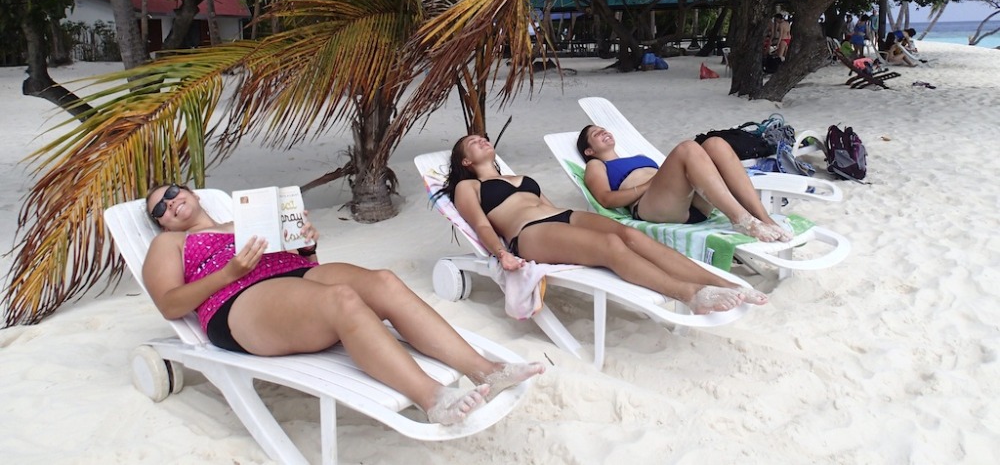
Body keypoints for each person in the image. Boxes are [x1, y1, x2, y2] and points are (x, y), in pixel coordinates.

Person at [142, 183, 543, 425]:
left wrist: (305, 245)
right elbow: (169, 304)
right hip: (236, 302)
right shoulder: (170, 244)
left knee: (383, 282)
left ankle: (486, 370)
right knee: (342, 300)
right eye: (160, 208)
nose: (170, 204)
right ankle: (432, 398)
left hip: (293, 277)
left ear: (192, 193)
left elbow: (307, 266)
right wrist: (228, 274)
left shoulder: (244, 222)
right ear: (161, 223)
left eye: (172, 193)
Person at [442, 136, 769, 315]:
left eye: (482, 137)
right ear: (465, 162)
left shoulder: (520, 177)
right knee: (611, 246)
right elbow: (481, 225)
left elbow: (549, 206)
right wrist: (501, 254)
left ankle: (723, 283)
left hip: (561, 217)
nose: (481, 140)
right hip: (529, 233)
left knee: (630, 235)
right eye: (473, 142)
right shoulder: (468, 187)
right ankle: (689, 294)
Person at [579, 125, 791, 243]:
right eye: (596, 134)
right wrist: (647, 186)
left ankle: (763, 218)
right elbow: (605, 199)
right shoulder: (596, 165)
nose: (604, 132)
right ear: (589, 151)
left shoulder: (639, 157)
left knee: (715, 144)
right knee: (687, 148)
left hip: (688, 204)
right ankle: (743, 220)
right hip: (652, 207)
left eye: (604, 129)